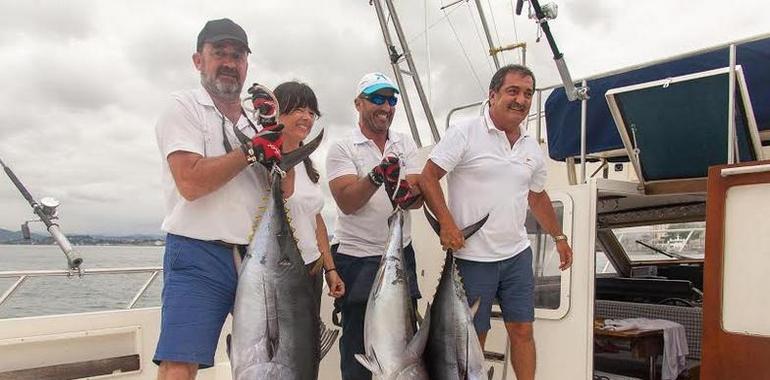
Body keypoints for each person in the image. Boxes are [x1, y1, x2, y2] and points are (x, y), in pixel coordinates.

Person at [419, 64, 574, 380]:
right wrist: (447, 224)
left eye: (528, 94)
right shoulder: (465, 132)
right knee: (473, 337)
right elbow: (428, 177)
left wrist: (559, 237)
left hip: (516, 255)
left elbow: (538, 196)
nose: (521, 100)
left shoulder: (531, 146)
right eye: (513, 91)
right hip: (472, 257)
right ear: (492, 96)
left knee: (522, 329)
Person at [153, 18, 283, 380]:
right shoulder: (183, 107)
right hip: (198, 253)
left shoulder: (255, 122)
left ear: (246, 64)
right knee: (181, 360)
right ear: (198, 60)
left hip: (259, 256)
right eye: (218, 53)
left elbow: (283, 191)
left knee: (273, 361)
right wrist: (253, 152)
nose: (228, 62)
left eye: (237, 55)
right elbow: (190, 182)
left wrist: (276, 140)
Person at [325, 72, 423, 380]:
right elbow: (347, 202)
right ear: (358, 103)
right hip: (357, 259)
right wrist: (377, 176)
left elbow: (416, 198)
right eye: (377, 99)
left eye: (391, 100)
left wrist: (405, 193)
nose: (386, 106)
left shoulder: (404, 143)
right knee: (358, 348)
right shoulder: (342, 147)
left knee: (402, 347)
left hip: (400, 254)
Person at [273, 81, 345, 311]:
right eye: (298, 109)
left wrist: (330, 269)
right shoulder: (267, 163)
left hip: (312, 267)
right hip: (280, 271)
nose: (307, 117)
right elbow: (282, 198)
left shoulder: (307, 164)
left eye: (311, 112)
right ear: (277, 112)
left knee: (306, 342)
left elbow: (317, 220)